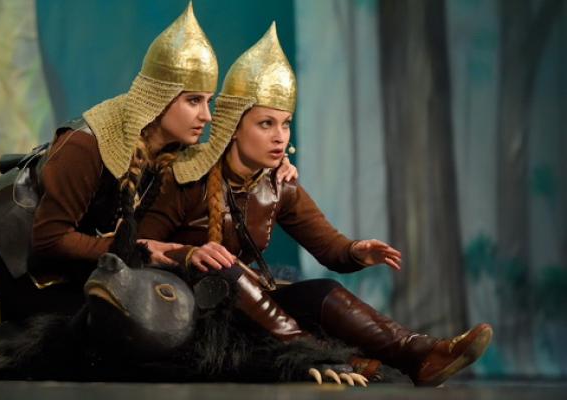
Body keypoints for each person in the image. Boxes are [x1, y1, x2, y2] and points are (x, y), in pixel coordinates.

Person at [0, 4, 296, 378]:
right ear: (161, 97)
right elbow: (48, 239)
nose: (206, 115)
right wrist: (137, 248)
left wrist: (273, 166)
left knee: (109, 329)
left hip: (68, 253)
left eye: (208, 101)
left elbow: (220, 163)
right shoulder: (88, 145)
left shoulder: (171, 146)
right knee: (89, 327)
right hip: (19, 256)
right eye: (193, 100)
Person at [137, 23, 493, 387]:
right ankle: (316, 353)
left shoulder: (279, 186)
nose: (279, 136)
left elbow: (329, 247)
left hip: (248, 312)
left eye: (285, 124)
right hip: (189, 314)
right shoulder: (186, 177)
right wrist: (188, 254)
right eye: (266, 124)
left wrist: (356, 250)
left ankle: (421, 353)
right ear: (233, 126)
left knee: (320, 292)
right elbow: (138, 251)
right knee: (227, 268)